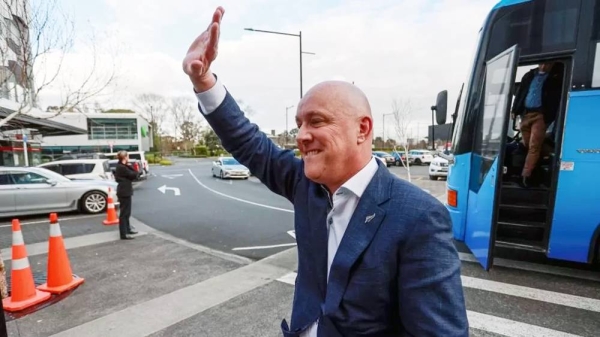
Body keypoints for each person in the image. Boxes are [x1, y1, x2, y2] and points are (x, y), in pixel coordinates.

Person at [183, 7, 468, 336]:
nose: (301, 136)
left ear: (362, 129)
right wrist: (203, 81)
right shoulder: (305, 185)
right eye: (299, 124)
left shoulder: (420, 217)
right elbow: (250, 144)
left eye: (316, 121)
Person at [511, 62, 563, 187]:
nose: (544, 67)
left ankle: (525, 176)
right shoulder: (529, 76)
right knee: (527, 146)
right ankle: (544, 161)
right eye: (542, 64)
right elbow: (520, 93)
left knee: (534, 147)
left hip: (540, 115)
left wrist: (548, 116)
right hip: (525, 114)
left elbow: (556, 99)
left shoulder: (554, 78)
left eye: (547, 64)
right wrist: (514, 109)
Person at [114, 150, 140, 240]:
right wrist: (130, 167)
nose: (128, 158)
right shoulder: (122, 167)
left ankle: (128, 229)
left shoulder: (122, 166)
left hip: (125, 191)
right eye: (127, 156)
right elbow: (134, 174)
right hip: (124, 191)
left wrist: (128, 165)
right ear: (124, 157)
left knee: (127, 213)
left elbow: (134, 174)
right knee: (124, 213)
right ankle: (123, 234)